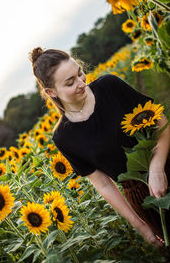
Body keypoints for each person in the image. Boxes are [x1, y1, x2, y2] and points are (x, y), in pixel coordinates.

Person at [29, 46, 170, 248]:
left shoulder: (109, 86)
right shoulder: (64, 137)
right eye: (70, 83)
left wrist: (157, 167)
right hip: (143, 198)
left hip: (165, 161)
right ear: (52, 92)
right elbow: (103, 184)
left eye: (80, 74)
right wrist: (142, 227)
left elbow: (162, 124)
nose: (81, 83)